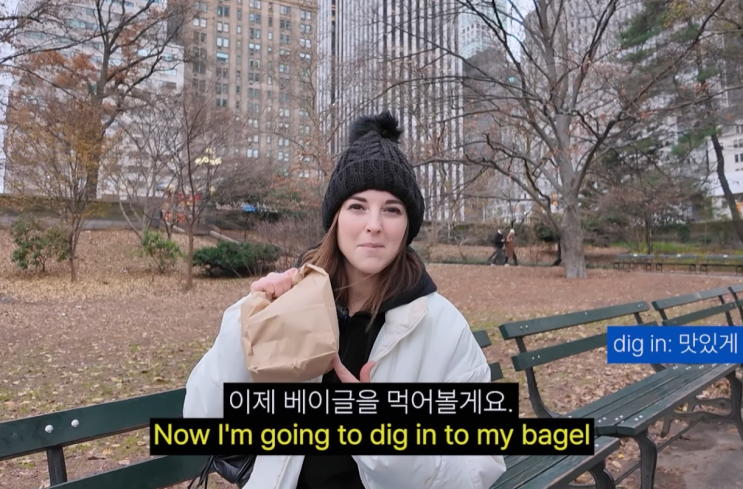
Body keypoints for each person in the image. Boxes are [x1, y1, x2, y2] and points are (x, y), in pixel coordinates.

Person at [182, 111, 507, 489]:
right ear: (335, 219)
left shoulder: (443, 328)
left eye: (391, 209)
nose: (374, 224)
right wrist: (248, 322)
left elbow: (477, 469)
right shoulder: (286, 304)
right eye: (357, 206)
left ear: (408, 226)